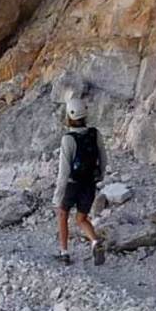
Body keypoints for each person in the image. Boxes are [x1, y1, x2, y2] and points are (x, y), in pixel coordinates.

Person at [54, 89, 107, 265]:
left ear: (69, 116)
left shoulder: (68, 139)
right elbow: (103, 158)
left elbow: (64, 171)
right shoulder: (95, 133)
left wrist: (58, 196)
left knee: (63, 214)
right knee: (81, 218)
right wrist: (100, 176)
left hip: (72, 184)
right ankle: (95, 241)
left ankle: (64, 253)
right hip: (89, 183)